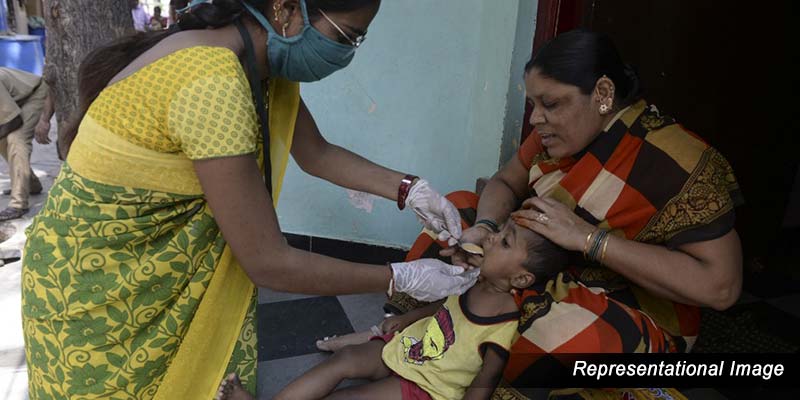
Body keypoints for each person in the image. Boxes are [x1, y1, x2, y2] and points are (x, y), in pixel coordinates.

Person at [21, 1, 477, 399]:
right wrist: (400, 277)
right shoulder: (212, 80)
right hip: (99, 289)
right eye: (348, 36)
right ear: (286, 9)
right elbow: (268, 262)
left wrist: (410, 189)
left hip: (132, 272)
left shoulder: (251, 62)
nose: (347, 53)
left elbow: (315, 153)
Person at [388, 30, 744, 399]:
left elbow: (721, 287)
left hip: (625, 299)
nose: (536, 118)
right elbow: (506, 182)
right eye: (533, 105)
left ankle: (451, 355)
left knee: (562, 332)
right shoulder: (551, 136)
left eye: (551, 104)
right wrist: (485, 227)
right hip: (540, 265)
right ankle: (424, 346)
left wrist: (589, 239)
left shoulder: (675, 160)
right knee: (456, 212)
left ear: (603, 94)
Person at [218, 223, 567, 400]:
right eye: (500, 230)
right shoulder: (472, 282)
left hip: (423, 386)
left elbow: (483, 385)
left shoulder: (502, 329)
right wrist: (406, 318)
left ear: (521, 277)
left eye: (505, 241)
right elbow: (444, 308)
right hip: (407, 349)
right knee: (346, 360)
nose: (491, 238)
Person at [0, 67, 53, 221]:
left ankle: (18, 204)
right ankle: (31, 184)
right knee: (2, 142)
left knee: (16, 140)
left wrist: (44, 120)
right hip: (14, 99)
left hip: (34, 94)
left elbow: (12, 121)